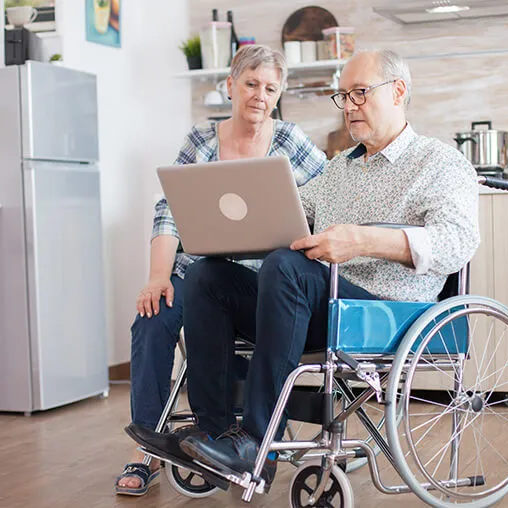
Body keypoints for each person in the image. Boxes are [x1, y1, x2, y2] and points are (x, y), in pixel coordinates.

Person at [126, 48, 480, 490]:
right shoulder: (337, 170)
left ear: (399, 92)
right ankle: (215, 434)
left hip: (387, 312)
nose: (349, 106)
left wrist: (362, 240)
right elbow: (276, 214)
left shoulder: (439, 162)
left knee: (287, 266)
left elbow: (458, 242)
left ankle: (257, 441)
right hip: (320, 306)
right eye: (344, 96)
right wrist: (219, 213)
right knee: (208, 276)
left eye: (360, 93)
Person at [114, 44, 326, 496]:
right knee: (154, 315)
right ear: (230, 85)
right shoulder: (201, 141)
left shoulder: (290, 141)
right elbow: (169, 210)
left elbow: (327, 201)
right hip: (198, 267)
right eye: (251, 84)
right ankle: (145, 453)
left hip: (262, 278)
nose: (259, 96)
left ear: (280, 92)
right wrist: (157, 276)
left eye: (270, 88)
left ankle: (230, 439)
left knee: (218, 293)